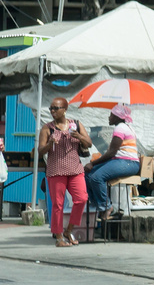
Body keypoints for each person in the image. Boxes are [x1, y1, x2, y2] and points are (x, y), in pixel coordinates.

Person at [36, 96, 90, 247]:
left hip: (75, 169)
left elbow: (89, 143)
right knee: (58, 205)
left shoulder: (76, 125)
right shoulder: (48, 128)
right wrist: (50, 143)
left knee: (81, 199)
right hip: (56, 170)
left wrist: (78, 136)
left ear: (65, 110)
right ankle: (59, 237)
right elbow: (40, 151)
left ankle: (69, 230)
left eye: (56, 108)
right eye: (51, 108)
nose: (52, 111)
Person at [84, 103, 141, 220]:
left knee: (96, 177)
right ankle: (98, 206)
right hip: (123, 161)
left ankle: (106, 206)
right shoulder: (125, 127)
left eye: (111, 115)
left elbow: (111, 153)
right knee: (88, 174)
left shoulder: (120, 127)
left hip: (128, 163)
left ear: (118, 116)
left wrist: (92, 163)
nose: (109, 117)